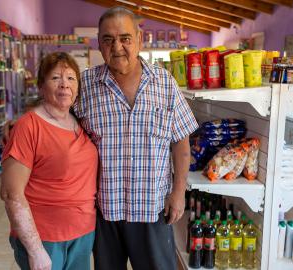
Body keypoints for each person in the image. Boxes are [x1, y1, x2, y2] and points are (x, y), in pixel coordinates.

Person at [73, 7, 199, 270]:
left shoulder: (164, 83)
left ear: (140, 40)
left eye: (125, 38)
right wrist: (26, 118)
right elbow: (55, 108)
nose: (117, 46)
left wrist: (178, 192)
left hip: (152, 208)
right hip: (105, 209)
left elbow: (181, 142)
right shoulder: (85, 85)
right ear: (99, 43)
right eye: (108, 39)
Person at [0, 52, 98, 270]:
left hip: (83, 232)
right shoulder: (28, 126)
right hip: (45, 237)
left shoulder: (79, 121)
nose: (64, 84)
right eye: (55, 78)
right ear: (41, 86)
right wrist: (35, 250)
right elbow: (11, 194)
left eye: (71, 78)